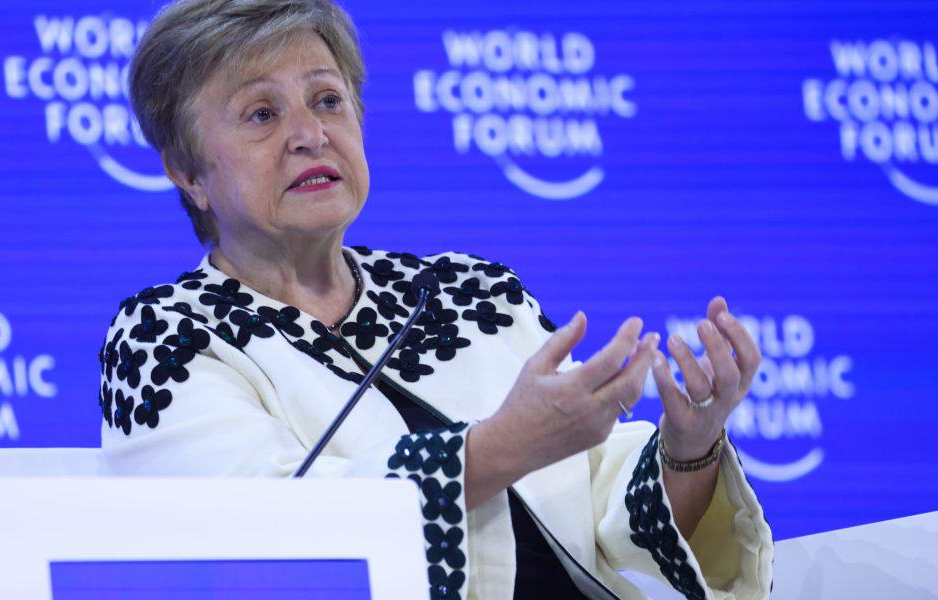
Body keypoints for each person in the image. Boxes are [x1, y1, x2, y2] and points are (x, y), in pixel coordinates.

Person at [100, 1, 773, 598]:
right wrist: (501, 447)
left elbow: (610, 515)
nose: (310, 134)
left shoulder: (471, 292)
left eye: (328, 100)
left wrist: (690, 449)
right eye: (262, 113)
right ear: (188, 172)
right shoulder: (167, 339)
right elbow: (257, 540)